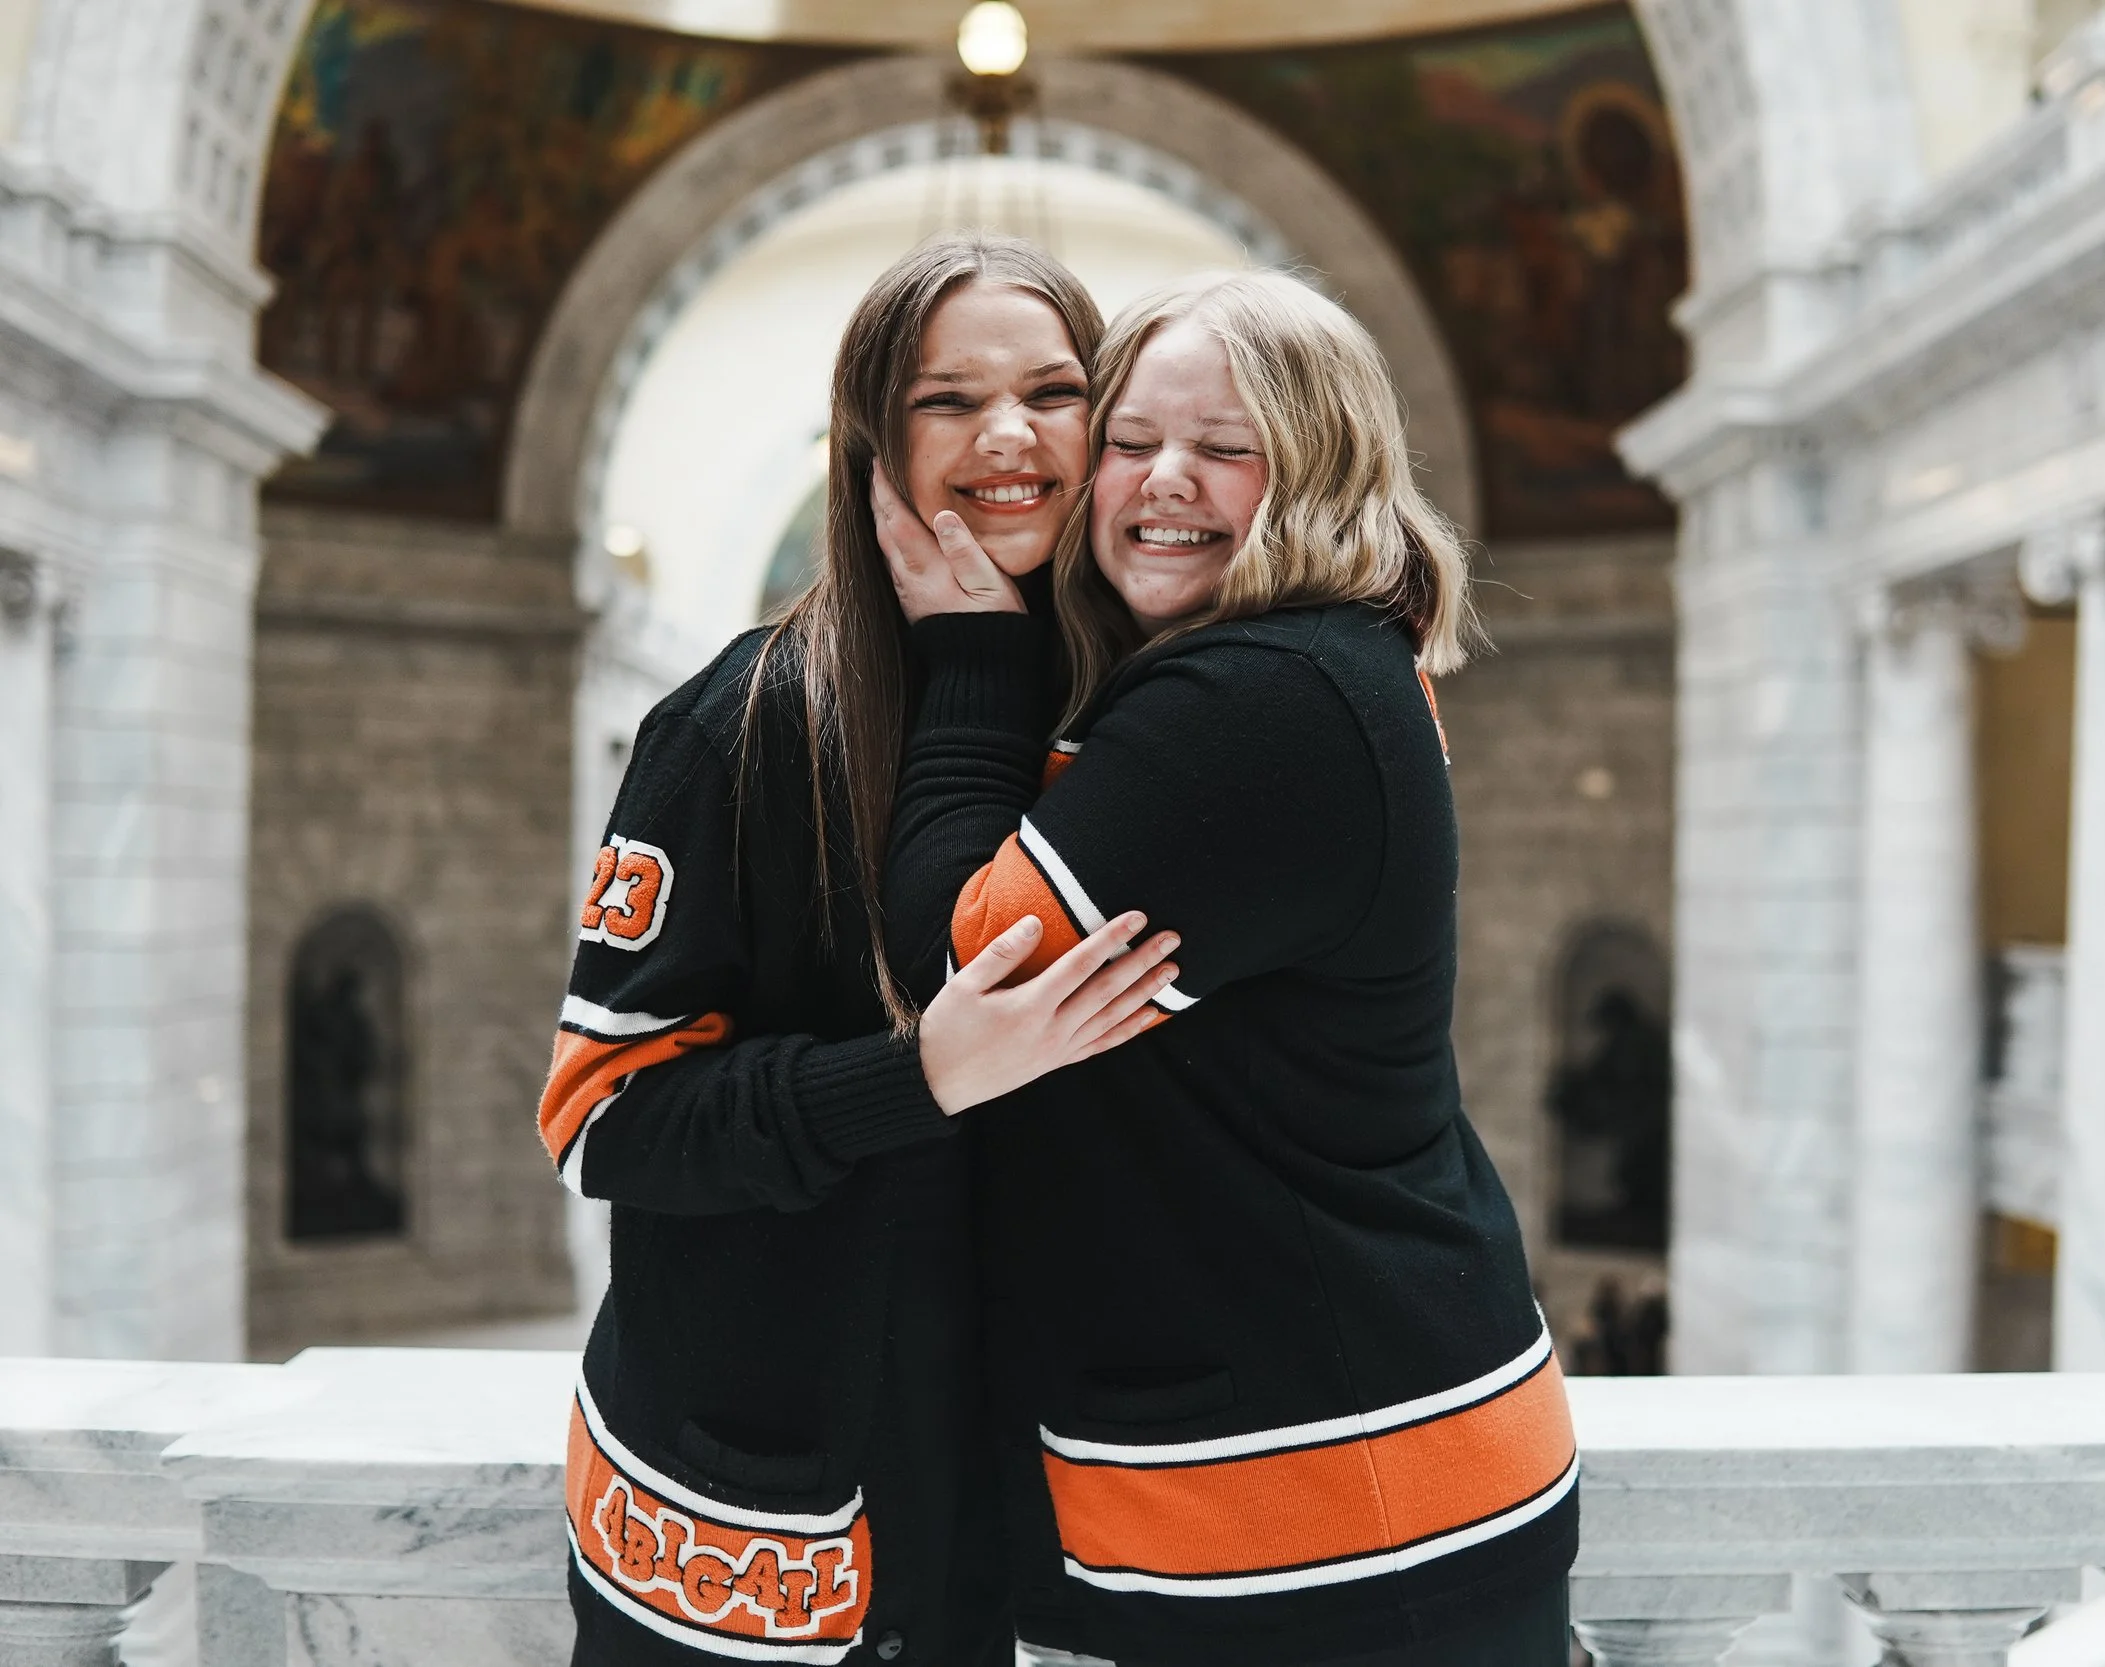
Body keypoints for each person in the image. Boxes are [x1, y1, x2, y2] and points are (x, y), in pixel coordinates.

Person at [877, 271, 1579, 1667]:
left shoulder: (1265, 698)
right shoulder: (1287, 668)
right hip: (1339, 1459)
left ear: (1321, 467)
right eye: (1131, 442)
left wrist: (965, 664)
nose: (1165, 481)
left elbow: (959, 959)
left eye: (1227, 445)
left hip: (1347, 1506)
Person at [539, 235, 1178, 1667]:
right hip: (766, 1528)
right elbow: (606, 1118)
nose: (1007, 434)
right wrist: (913, 1075)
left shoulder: (1147, 732)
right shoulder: (739, 725)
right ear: (871, 441)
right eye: (948, 398)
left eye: (1054, 390)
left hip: (1031, 1519)